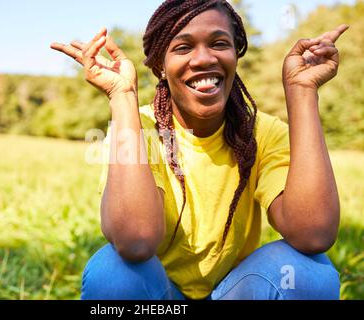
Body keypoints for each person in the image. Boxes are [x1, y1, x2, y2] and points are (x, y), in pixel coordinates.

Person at [51, 0, 347, 300]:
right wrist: (122, 96)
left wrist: (302, 91)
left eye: (219, 43)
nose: (204, 58)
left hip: (238, 293)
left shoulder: (265, 134)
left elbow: (314, 233)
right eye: (183, 48)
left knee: (308, 275)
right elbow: (135, 240)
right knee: (114, 273)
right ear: (160, 68)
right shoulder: (139, 130)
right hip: (161, 299)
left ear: (235, 55)